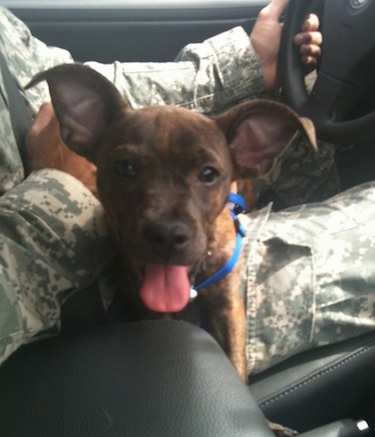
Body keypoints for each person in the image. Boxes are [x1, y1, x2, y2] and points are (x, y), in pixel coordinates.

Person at [1, 0, 374, 373]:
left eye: (208, 174)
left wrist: (247, 64)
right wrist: (60, 192)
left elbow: (48, 75)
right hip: (71, 271)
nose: (167, 225)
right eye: (128, 168)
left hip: (95, 205)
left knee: (308, 97)